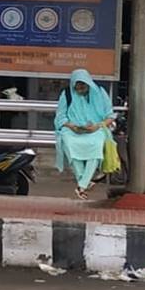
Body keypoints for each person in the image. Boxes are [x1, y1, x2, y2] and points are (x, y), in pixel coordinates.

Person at [54, 69, 114, 200]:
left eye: (83, 84)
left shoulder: (99, 92)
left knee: (97, 146)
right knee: (69, 144)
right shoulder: (67, 94)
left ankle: (82, 185)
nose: (80, 88)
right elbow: (61, 117)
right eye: (78, 85)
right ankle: (84, 183)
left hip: (96, 129)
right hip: (73, 130)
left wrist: (96, 126)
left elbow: (110, 116)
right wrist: (73, 127)